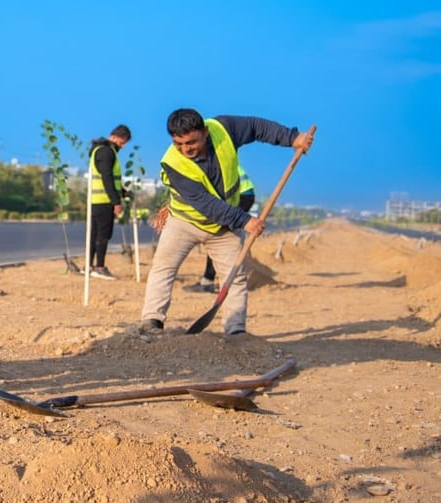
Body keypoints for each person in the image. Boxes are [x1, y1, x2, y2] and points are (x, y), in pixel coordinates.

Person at [140, 109, 312, 336]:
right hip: (184, 222)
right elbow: (205, 203)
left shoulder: (224, 129)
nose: (185, 149)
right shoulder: (173, 163)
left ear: (205, 132)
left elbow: (256, 127)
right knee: (163, 269)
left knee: (235, 277)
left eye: (191, 142)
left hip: (223, 228)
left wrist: (292, 138)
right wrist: (245, 221)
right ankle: (151, 323)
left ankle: (235, 331)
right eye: (178, 144)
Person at [189, 165, 255, 292]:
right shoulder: (216, 159)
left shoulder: (209, 163)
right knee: (217, 236)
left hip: (240, 196)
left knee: (217, 236)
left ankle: (212, 281)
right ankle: (210, 280)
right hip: (244, 195)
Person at [87, 125, 131, 280]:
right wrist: (116, 202)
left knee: (94, 234)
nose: (122, 146)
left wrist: (123, 192)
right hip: (104, 201)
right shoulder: (106, 152)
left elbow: (110, 178)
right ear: (113, 137)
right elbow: (107, 178)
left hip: (96, 200)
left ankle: (89, 266)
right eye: (122, 141)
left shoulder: (99, 151)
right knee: (103, 235)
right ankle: (100, 267)